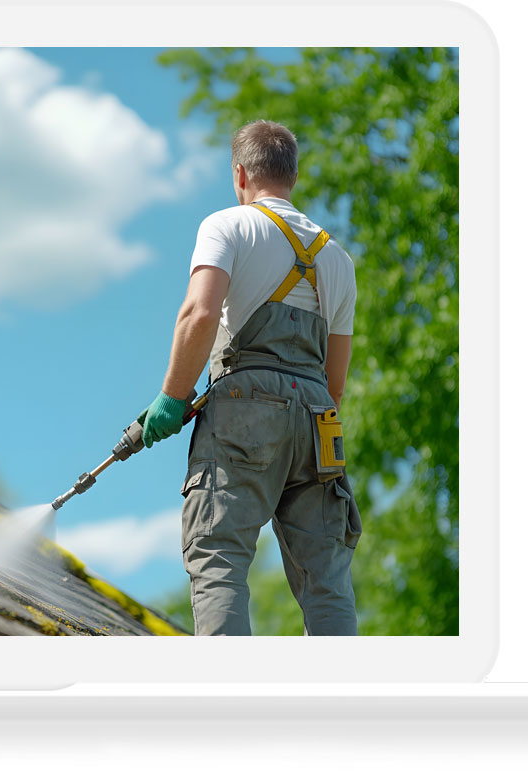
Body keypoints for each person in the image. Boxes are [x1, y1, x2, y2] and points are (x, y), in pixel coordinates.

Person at [140, 119, 362, 635]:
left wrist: (173, 398)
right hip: (317, 422)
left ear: (240, 173)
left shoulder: (228, 226)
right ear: (294, 177)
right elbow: (335, 383)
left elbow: (199, 313)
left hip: (243, 407)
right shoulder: (338, 260)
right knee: (327, 579)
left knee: (218, 558)